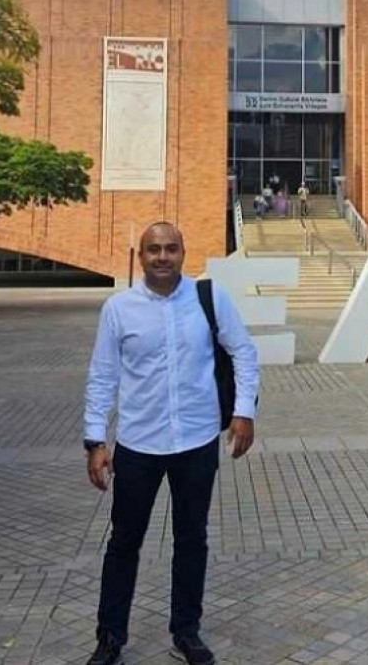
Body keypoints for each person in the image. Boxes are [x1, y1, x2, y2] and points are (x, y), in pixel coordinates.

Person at [83, 221, 259, 665]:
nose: (163, 257)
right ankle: (110, 636)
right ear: (140, 257)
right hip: (139, 443)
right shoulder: (119, 308)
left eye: (171, 249)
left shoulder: (209, 299)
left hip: (197, 441)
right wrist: (95, 440)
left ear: (184, 253)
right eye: (153, 250)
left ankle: (186, 631)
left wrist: (243, 412)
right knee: (124, 540)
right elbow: (102, 375)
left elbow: (243, 351)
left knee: (191, 538)